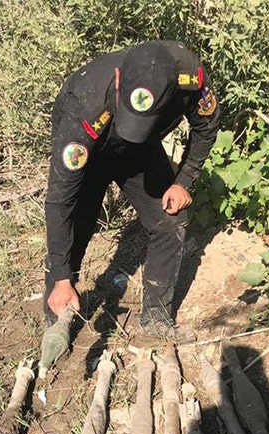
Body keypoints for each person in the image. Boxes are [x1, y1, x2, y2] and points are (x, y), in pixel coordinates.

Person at [44, 40, 220, 337]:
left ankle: (156, 321)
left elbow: (206, 127)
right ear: (117, 79)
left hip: (140, 153)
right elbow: (60, 200)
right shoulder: (85, 105)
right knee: (77, 222)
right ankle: (58, 313)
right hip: (93, 150)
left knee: (170, 218)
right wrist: (62, 277)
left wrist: (182, 181)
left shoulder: (190, 79)